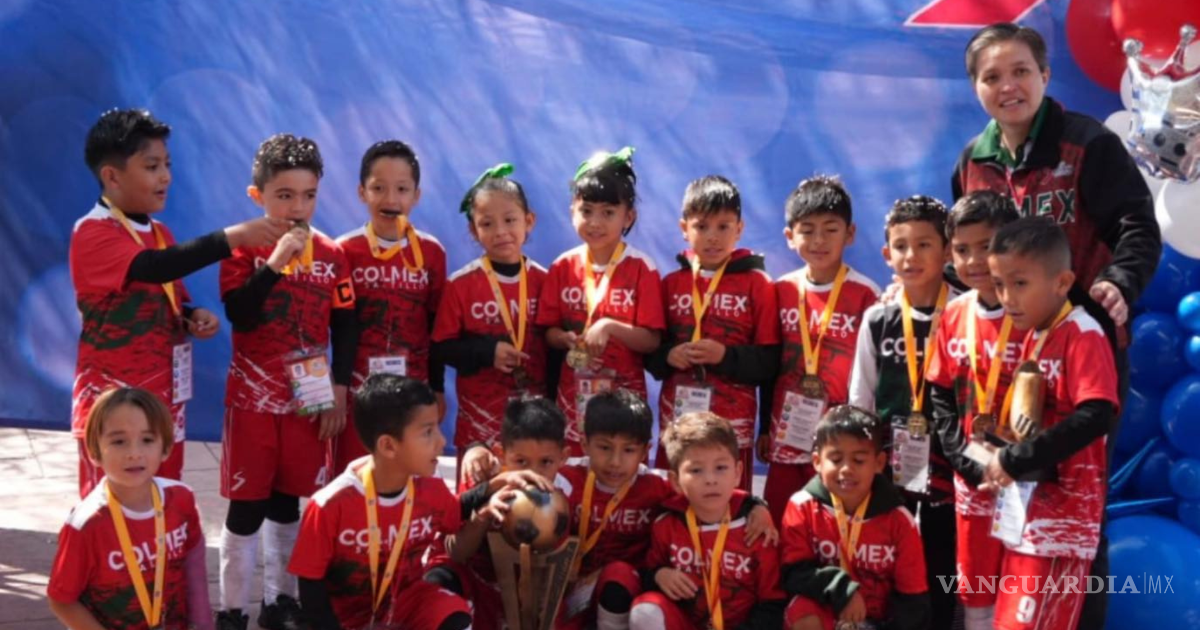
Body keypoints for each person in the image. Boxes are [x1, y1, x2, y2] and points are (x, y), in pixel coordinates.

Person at [952, 24, 1161, 624]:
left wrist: (1118, 283)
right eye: (992, 77)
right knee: (1004, 500)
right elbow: (965, 253)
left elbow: (1137, 225)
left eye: (1020, 71)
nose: (1008, 86)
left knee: (1075, 512)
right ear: (976, 88)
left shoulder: (1088, 145)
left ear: (1044, 75)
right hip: (999, 361)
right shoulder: (972, 160)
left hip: (1079, 356)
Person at [70, 108, 288, 496]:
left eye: (167, 164)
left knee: (163, 500)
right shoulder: (93, 231)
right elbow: (155, 268)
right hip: (112, 405)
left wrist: (192, 316)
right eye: (151, 166)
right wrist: (235, 237)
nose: (166, 176)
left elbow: (167, 296)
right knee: (112, 509)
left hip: (163, 404)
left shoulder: (161, 232)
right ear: (112, 176)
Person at [215, 134, 357, 630]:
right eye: (284, 195)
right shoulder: (242, 248)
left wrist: (339, 388)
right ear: (258, 196)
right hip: (252, 402)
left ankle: (280, 603)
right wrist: (274, 263)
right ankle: (232, 609)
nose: (298, 208)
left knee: (287, 503)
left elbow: (345, 324)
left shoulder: (333, 254)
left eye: (308, 195)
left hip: (307, 401)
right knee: (246, 506)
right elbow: (240, 313)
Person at [977, 218, 1118, 630]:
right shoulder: (1034, 334)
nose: (1007, 298)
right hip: (1026, 519)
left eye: (1020, 284)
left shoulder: (1083, 333)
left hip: (1062, 528)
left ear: (1062, 282)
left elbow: (1097, 414)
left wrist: (1017, 459)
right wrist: (996, 453)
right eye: (999, 284)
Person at [288, 375, 474, 630]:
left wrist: (495, 488)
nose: (442, 442)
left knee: (457, 617)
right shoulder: (328, 505)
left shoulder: (431, 488)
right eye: (428, 432)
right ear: (388, 446)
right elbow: (310, 587)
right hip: (343, 619)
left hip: (406, 602)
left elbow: (457, 512)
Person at [849, 195, 959, 628]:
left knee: (943, 563)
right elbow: (860, 399)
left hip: (950, 465)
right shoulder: (878, 318)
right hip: (891, 466)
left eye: (924, 244)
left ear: (947, 251)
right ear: (886, 254)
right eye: (901, 246)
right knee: (892, 563)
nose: (910, 256)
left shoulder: (965, 311)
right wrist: (864, 461)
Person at [927, 190, 1022, 629]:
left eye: (987, 246)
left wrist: (1021, 462)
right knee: (976, 598)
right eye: (962, 250)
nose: (975, 260)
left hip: (1026, 483)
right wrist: (962, 459)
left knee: (1024, 595)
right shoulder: (954, 313)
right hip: (972, 480)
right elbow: (940, 393)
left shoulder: (1037, 311)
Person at [650, 175, 780, 492]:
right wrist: (668, 356)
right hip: (678, 426)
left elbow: (769, 362)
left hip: (732, 430)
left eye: (723, 227)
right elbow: (650, 351)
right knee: (671, 501)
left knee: (729, 507)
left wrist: (726, 356)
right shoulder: (670, 283)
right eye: (702, 226)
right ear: (684, 228)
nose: (712, 237)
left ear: (740, 228)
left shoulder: (758, 284)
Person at [761, 175, 879, 525]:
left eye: (830, 229)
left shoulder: (866, 294)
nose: (818, 241)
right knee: (782, 521)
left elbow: (872, 374)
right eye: (807, 230)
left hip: (840, 439)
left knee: (834, 524)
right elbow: (770, 364)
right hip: (786, 432)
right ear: (790, 236)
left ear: (850, 233)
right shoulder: (780, 290)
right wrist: (764, 427)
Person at [48, 387, 213, 630]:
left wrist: (202, 623)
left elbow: (193, 564)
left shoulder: (182, 499)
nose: (134, 453)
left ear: (166, 448)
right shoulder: (86, 525)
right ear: (94, 452)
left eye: (147, 440)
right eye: (119, 441)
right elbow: (62, 600)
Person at [536, 147, 664, 454]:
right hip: (573, 398)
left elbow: (651, 341)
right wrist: (564, 339)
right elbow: (548, 332)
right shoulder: (562, 266)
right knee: (573, 471)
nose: (595, 222)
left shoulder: (642, 268)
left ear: (628, 216)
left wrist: (610, 326)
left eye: (608, 213)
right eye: (586, 211)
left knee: (620, 471)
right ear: (572, 211)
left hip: (625, 402)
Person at [333, 140, 447, 471]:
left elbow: (436, 326)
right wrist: (339, 387)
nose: (391, 200)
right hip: (359, 392)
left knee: (410, 475)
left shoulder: (432, 252)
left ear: (416, 195)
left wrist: (437, 388)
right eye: (378, 188)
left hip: (414, 393)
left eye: (402, 189)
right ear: (362, 192)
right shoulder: (344, 250)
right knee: (357, 476)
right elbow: (340, 328)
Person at [432, 163, 548, 474]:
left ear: (528, 221)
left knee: (530, 500)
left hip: (535, 426)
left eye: (510, 220)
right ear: (474, 230)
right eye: (487, 223)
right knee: (480, 501)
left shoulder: (545, 281)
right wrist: (487, 351)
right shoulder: (460, 285)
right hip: (479, 428)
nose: (500, 232)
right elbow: (441, 348)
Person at [632, 411, 786, 629]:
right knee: (645, 610)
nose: (710, 479)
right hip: (685, 623)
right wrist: (659, 575)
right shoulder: (666, 524)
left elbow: (773, 603)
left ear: (738, 472)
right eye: (696, 470)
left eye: (721, 468)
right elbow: (645, 572)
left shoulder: (758, 528)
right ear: (675, 481)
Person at [781, 405, 931, 630]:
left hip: (878, 623)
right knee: (803, 613)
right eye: (835, 459)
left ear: (879, 463)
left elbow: (913, 598)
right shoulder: (801, 507)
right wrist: (842, 590)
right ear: (817, 462)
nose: (846, 469)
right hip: (825, 613)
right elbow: (792, 574)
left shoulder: (900, 520)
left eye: (859, 460)